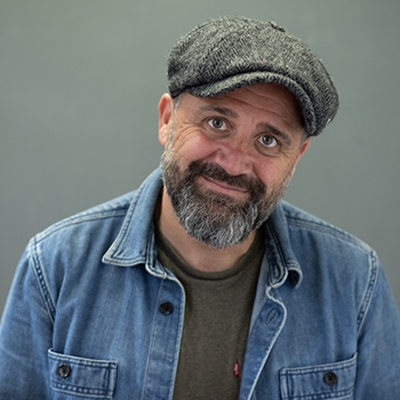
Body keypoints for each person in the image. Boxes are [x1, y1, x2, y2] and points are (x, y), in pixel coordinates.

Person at [0, 16, 399, 400]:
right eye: (217, 123)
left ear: (296, 158)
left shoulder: (353, 281)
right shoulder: (54, 266)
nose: (233, 164)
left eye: (269, 141)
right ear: (167, 120)